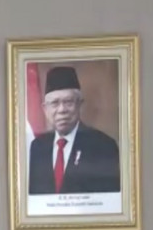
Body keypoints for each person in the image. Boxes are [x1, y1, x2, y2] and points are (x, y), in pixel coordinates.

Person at [28, 66, 121, 195]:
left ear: (79, 104)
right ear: (45, 109)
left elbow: (110, 199)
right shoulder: (37, 148)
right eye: (54, 103)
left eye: (68, 102)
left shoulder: (103, 146)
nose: (62, 110)